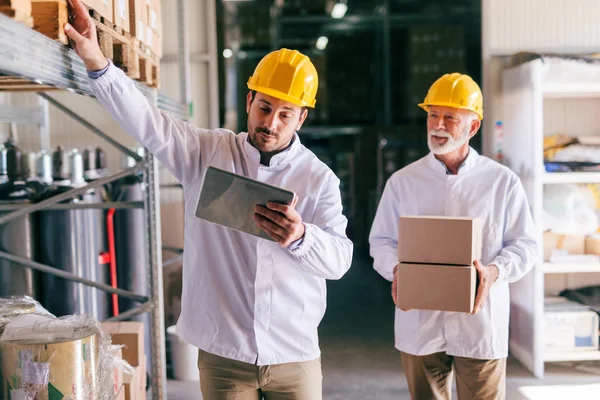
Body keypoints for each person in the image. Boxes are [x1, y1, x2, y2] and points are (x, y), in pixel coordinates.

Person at [64, 1, 353, 398]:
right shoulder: (206, 152)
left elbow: (340, 260)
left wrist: (302, 236)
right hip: (224, 352)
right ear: (249, 100)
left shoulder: (319, 178)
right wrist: (97, 62)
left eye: (286, 114)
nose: (271, 123)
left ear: (301, 118)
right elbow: (147, 123)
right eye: (265, 108)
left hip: (294, 354)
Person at [369, 73, 539, 400]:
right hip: (420, 323)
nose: (438, 124)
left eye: (450, 117)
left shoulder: (501, 182)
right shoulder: (404, 182)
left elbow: (525, 245)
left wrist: (495, 271)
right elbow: (381, 242)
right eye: (433, 115)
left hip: (480, 323)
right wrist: (397, 268)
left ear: (473, 127)